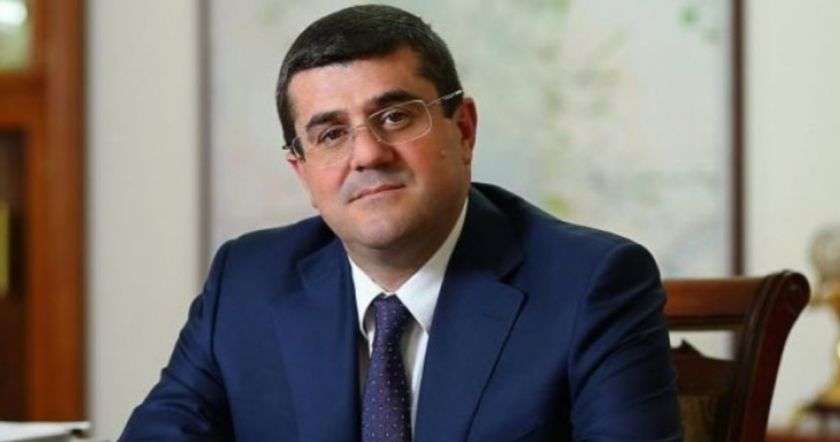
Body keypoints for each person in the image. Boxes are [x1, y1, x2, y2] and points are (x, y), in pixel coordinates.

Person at [121, 5, 682, 441]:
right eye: (331, 134)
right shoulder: (247, 280)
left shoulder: (593, 284)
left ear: (463, 130)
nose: (367, 154)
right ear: (302, 169)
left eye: (395, 117)